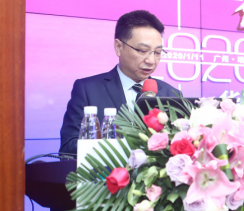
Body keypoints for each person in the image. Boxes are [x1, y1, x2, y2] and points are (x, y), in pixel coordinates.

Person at [59, 10, 180, 155]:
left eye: (158, 52)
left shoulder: (172, 95)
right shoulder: (87, 90)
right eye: (142, 50)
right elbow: (68, 148)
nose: (151, 60)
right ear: (118, 47)